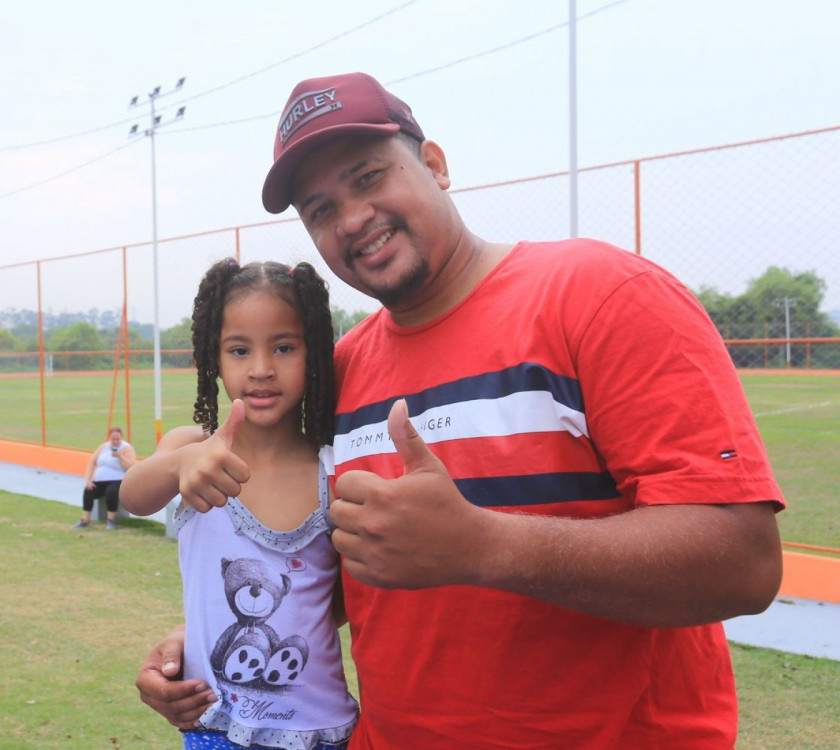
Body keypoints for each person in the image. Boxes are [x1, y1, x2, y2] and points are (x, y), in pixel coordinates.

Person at [136, 72, 785, 748]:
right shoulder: (341, 372)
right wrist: (219, 639)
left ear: (436, 166)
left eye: (367, 178)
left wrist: (486, 546)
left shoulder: (600, 295)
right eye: (320, 209)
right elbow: (353, 577)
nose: (352, 218)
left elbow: (743, 563)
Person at [121, 259, 359, 750]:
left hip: (322, 733)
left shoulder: (333, 470)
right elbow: (133, 496)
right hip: (215, 728)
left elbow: (328, 604)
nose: (261, 369)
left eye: (284, 347)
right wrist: (180, 464)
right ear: (215, 359)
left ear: (313, 355)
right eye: (239, 349)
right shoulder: (191, 447)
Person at [73, 425, 138, 530]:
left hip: (118, 479)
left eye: (117, 439)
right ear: (109, 438)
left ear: (121, 438)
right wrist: (88, 479)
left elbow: (131, 467)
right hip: (101, 480)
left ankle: (111, 520)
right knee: (88, 491)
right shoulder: (104, 447)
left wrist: (120, 457)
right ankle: (85, 520)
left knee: (111, 492)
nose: (115, 441)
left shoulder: (127, 448)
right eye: (113, 439)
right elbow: (92, 461)